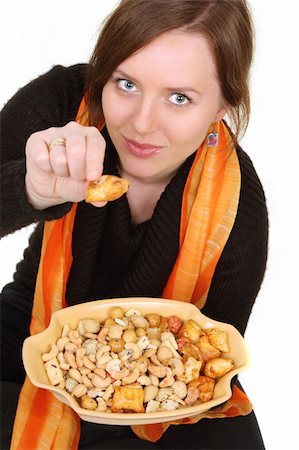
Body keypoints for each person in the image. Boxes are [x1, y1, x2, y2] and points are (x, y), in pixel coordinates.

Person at [0, 0, 268, 449]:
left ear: (224, 104)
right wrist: (30, 190)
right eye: (125, 84)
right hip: (32, 325)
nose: (141, 124)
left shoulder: (239, 209)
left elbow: (208, 359)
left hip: (159, 379)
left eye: (179, 97)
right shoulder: (64, 101)